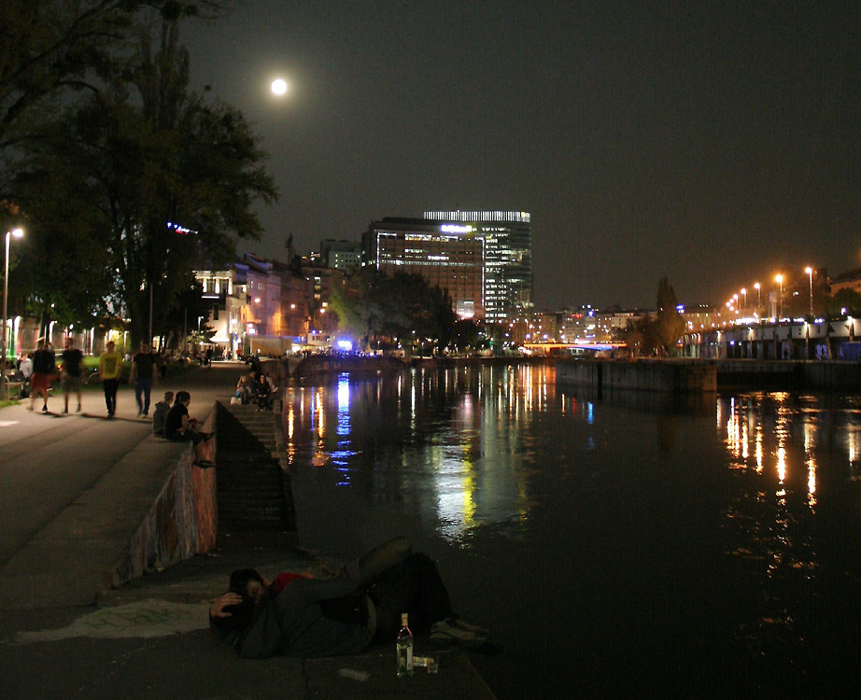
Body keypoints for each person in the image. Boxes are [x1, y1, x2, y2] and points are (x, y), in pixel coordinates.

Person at [208, 537, 487, 659]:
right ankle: (444, 622)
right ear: (259, 596)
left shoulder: (252, 641)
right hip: (372, 620)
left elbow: (230, 628)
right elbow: (346, 586)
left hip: (353, 638)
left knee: (417, 602)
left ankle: (441, 620)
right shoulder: (293, 595)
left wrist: (214, 615)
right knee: (417, 563)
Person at [165, 390, 214, 467]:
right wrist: (190, 426)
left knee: (195, 434)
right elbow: (184, 423)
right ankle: (199, 459)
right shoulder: (182, 409)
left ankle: (202, 455)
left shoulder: (176, 407)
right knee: (197, 438)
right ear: (188, 400)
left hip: (169, 432)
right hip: (174, 434)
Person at [129, 342, 157, 418]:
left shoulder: (151, 356)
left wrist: (154, 379)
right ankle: (140, 407)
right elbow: (134, 366)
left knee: (147, 395)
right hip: (139, 377)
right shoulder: (138, 356)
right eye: (142, 346)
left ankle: (145, 411)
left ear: (148, 347)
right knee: (138, 395)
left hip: (148, 378)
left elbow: (154, 367)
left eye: (145, 346)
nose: (144, 348)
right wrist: (132, 375)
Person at [98, 340, 123, 418]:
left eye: (111, 347)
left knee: (113, 394)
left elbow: (120, 365)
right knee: (107, 395)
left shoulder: (117, 355)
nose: (110, 348)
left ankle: (113, 409)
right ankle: (109, 410)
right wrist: (101, 375)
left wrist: (118, 374)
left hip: (114, 377)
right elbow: (101, 366)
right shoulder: (104, 356)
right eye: (109, 347)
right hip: (106, 377)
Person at [30, 339, 56, 413]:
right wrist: (33, 372)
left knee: (44, 389)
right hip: (37, 372)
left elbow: (52, 362)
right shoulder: (37, 353)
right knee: (35, 389)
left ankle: (45, 404)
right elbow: (34, 363)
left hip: (44, 373)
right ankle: (32, 405)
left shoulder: (47, 353)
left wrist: (50, 372)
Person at [60, 338, 84, 414]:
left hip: (76, 372)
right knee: (66, 391)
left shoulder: (77, 352)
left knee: (77, 390)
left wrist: (83, 371)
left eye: (68, 342)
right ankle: (66, 407)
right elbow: (63, 363)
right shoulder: (65, 353)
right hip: (68, 373)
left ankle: (79, 404)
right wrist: (63, 372)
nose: (67, 344)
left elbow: (81, 362)